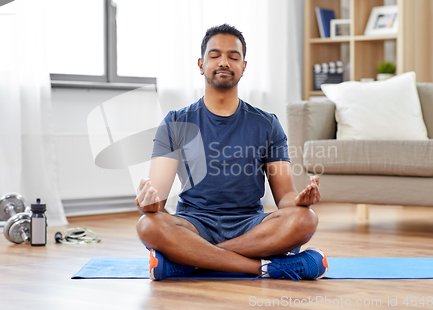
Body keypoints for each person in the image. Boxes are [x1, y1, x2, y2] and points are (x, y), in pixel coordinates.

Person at [135, 24, 327, 281]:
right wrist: (148, 203)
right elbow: (156, 200)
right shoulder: (175, 122)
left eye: (233, 57)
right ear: (201, 64)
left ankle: (189, 261)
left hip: (249, 225)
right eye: (215, 55)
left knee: (306, 219)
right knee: (148, 224)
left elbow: (285, 197)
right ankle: (267, 267)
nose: (223, 62)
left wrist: (300, 201)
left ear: (243, 67)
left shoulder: (267, 123)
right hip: (194, 224)